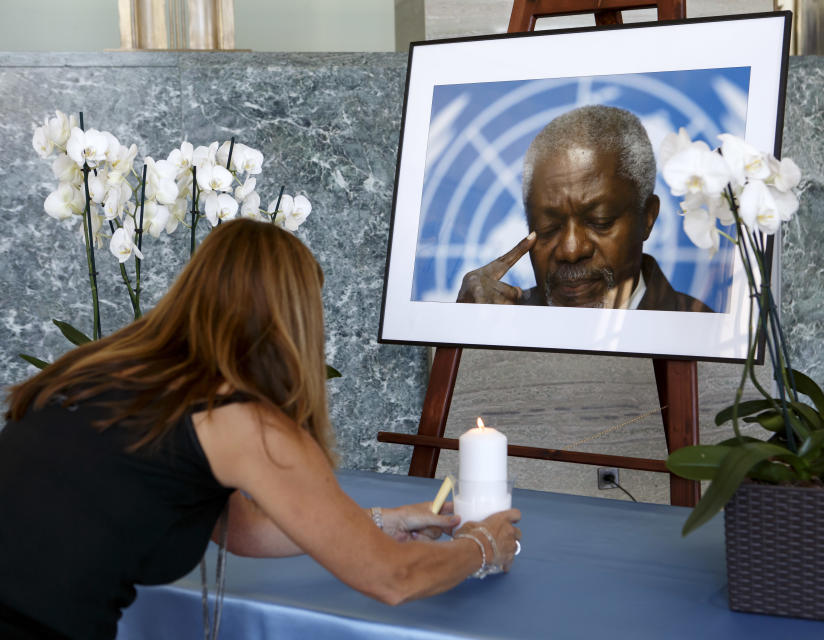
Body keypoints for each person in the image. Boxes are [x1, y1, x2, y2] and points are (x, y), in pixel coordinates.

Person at [0, 219, 521, 640]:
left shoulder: (104, 371)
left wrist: (383, 520)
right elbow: (393, 577)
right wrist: (481, 545)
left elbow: (237, 527)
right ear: (297, 320)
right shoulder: (242, 420)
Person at [456, 105, 711, 312]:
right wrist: (463, 328)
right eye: (548, 228)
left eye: (600, 222)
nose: (571, 249)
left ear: (647, 217)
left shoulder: (699, 331)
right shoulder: (500, 319)